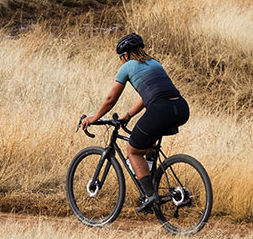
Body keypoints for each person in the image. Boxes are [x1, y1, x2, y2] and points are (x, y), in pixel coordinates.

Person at [78, 33, 190, 213]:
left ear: (125, 55)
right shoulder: (155, 63)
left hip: (160, 109)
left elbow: (110, 98)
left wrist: (94, 118)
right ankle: (153, 183)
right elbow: (148, 96)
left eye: (122, 58)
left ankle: (151, 196)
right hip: (181, 108)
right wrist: (128, 115)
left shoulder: (127, 67)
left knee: (133, 151)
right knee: (148, 145)